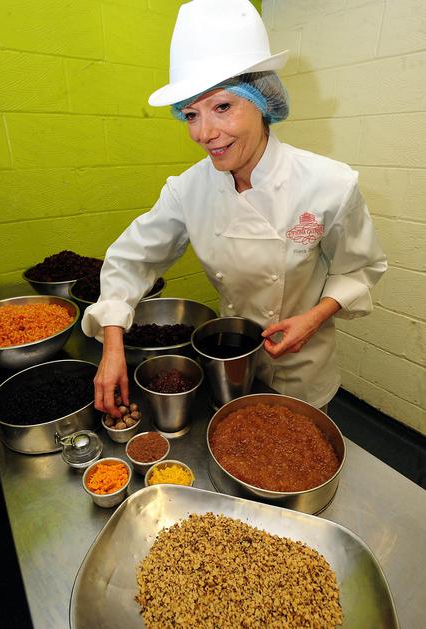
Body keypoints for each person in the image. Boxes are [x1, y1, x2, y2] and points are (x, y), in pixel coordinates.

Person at [82, 0, 387, 417]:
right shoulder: (187, 189)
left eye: (222, 107)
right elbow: (131, 260)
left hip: (303, 366)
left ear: (262, 102)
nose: (204, 133)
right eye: (191, 114)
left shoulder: (329, 183)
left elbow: (359, 269)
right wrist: (113, 344)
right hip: (230, 361)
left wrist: (315, 317)